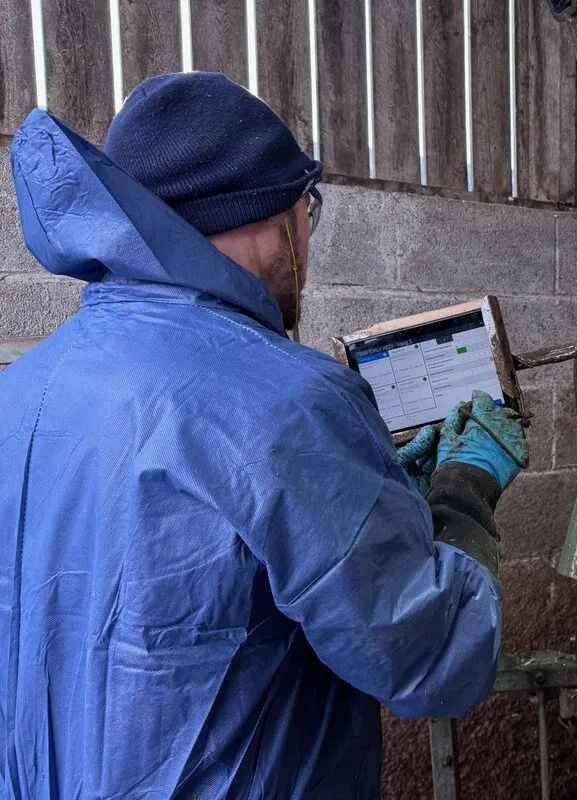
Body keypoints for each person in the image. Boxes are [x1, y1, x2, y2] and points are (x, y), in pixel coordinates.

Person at [0, 72, 526, 797]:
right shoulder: (289, 400)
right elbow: (432, 654)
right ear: (265, 215)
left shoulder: (20, 393)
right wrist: (463, 495)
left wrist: (378, 505)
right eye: (306, 206)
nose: (307, 234)